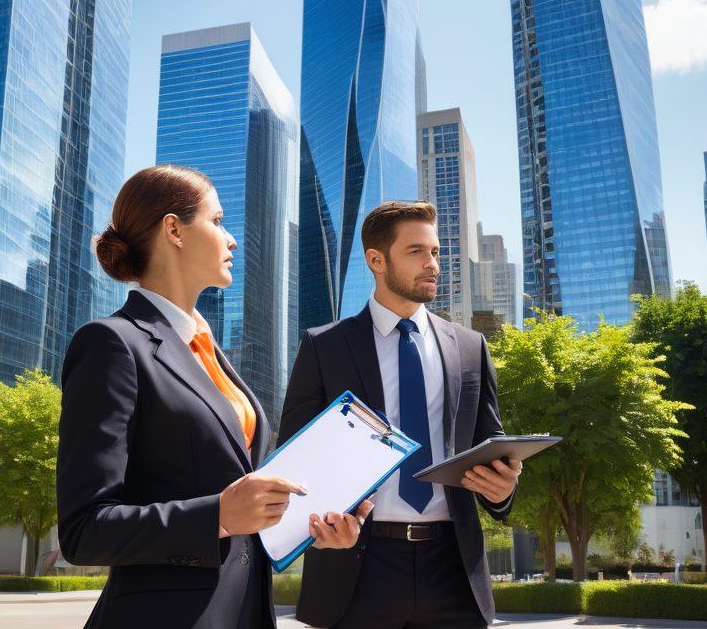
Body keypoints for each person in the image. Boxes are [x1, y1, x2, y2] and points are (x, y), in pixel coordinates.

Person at [57, 166, 370, 629]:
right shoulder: (111, 343)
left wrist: (311, 525)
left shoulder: (208, 351)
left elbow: (237, 498)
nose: (232, 240)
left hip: (244, 611)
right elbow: (85, 530)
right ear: (173, 229)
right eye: (218, 220)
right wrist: (217, 516)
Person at [280, 200, 522, 629]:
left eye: (435, 253)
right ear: (376, 260)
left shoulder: (470, 347)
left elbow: (490, 446)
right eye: (416, 252)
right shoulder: (324, 346)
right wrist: (321, 523)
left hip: (454, 568)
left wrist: (501, 490)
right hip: (356, 569)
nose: (432, 264)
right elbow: (294, 459)